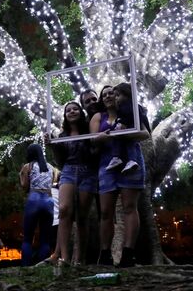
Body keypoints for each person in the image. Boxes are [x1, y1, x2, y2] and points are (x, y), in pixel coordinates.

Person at [90, 85, 149, 267]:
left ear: (118, 96)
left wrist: (124, 134)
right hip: (107, 165)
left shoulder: (131, 112)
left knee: (130, 207)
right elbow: (92, 140)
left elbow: (146, 133)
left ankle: (128, 253)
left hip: (131, 163)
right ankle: (105, 253)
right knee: (106, 212)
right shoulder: (99, 117)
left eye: (112, 93)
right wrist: (102, 137)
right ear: (102, 99)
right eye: (105, 94)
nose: (109, 96)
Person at [47, 102, 97, 265]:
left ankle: (80, 259)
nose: (72, 112)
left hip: (87, 172)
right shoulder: (63, 136)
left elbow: (95, 153)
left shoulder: (89, 131)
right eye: (68, 110)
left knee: (82, 217)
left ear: (80, 113)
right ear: (65, 115)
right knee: (63, 210)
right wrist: (52, 146)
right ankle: (65, 258)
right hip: (68, 171)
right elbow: (60, 161)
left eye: (75, 109)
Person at [19, 143, 55, 266]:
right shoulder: (50, 167)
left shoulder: (28, 166)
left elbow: (24, 185)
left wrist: (21, 176)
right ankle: (42, 266)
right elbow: (52, 182)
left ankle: (26, 266)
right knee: (45, 240)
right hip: (49, 200)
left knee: (28, 238)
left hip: (34, 199)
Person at [105, 83, 151, 174]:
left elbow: (145, 132)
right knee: (127, 143)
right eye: (116, 96)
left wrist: (122, 124)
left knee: (129, 144)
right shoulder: (126, 108)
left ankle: (122, 159)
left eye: (117, 95)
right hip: (125, 133)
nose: (115, 98)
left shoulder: (129, 106)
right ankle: (122, 158)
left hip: (128, 131)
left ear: (127, 94)